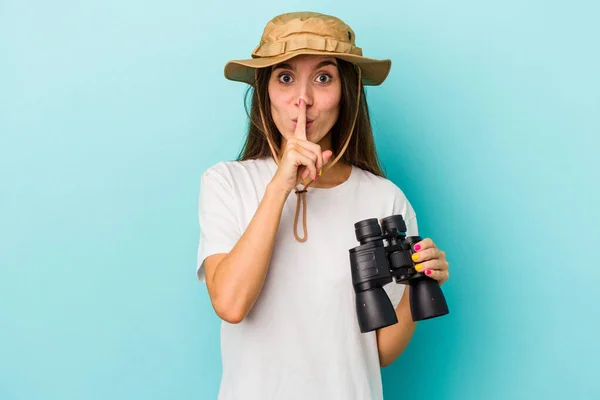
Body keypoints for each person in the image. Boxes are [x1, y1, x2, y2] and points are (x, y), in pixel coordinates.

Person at [196, 11, 450, 400]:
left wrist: (421, 280)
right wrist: (279, 186)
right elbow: (230, 303)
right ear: (265, 90)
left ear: (346, 90)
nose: (303, 100)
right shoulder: (227, 182)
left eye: (323, 78)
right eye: (285, 78)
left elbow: (379, 352)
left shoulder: (385, 198)